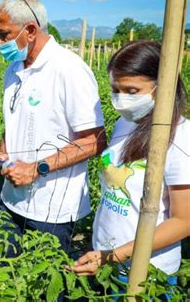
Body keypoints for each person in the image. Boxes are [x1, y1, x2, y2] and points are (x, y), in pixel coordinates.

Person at [0, 0, 106, 255]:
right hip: (10, 200)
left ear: (29, 30)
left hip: (52, 210)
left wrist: (36, 168)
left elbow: (95, 140)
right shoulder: (14, 69)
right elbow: (14, 120)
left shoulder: (68, 69)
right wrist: (2, 152)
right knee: (0, 278)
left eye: (4, 34)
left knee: (46, 287)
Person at [69, 41, 189, 293]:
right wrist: (104, 254)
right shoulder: (126, 123)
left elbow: (184, 220)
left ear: (163, 86)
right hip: (106, 257)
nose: (121, 100)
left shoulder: (181, 137)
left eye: (132, 91)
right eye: (115, 90)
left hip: (146, 273)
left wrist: (115, 255)